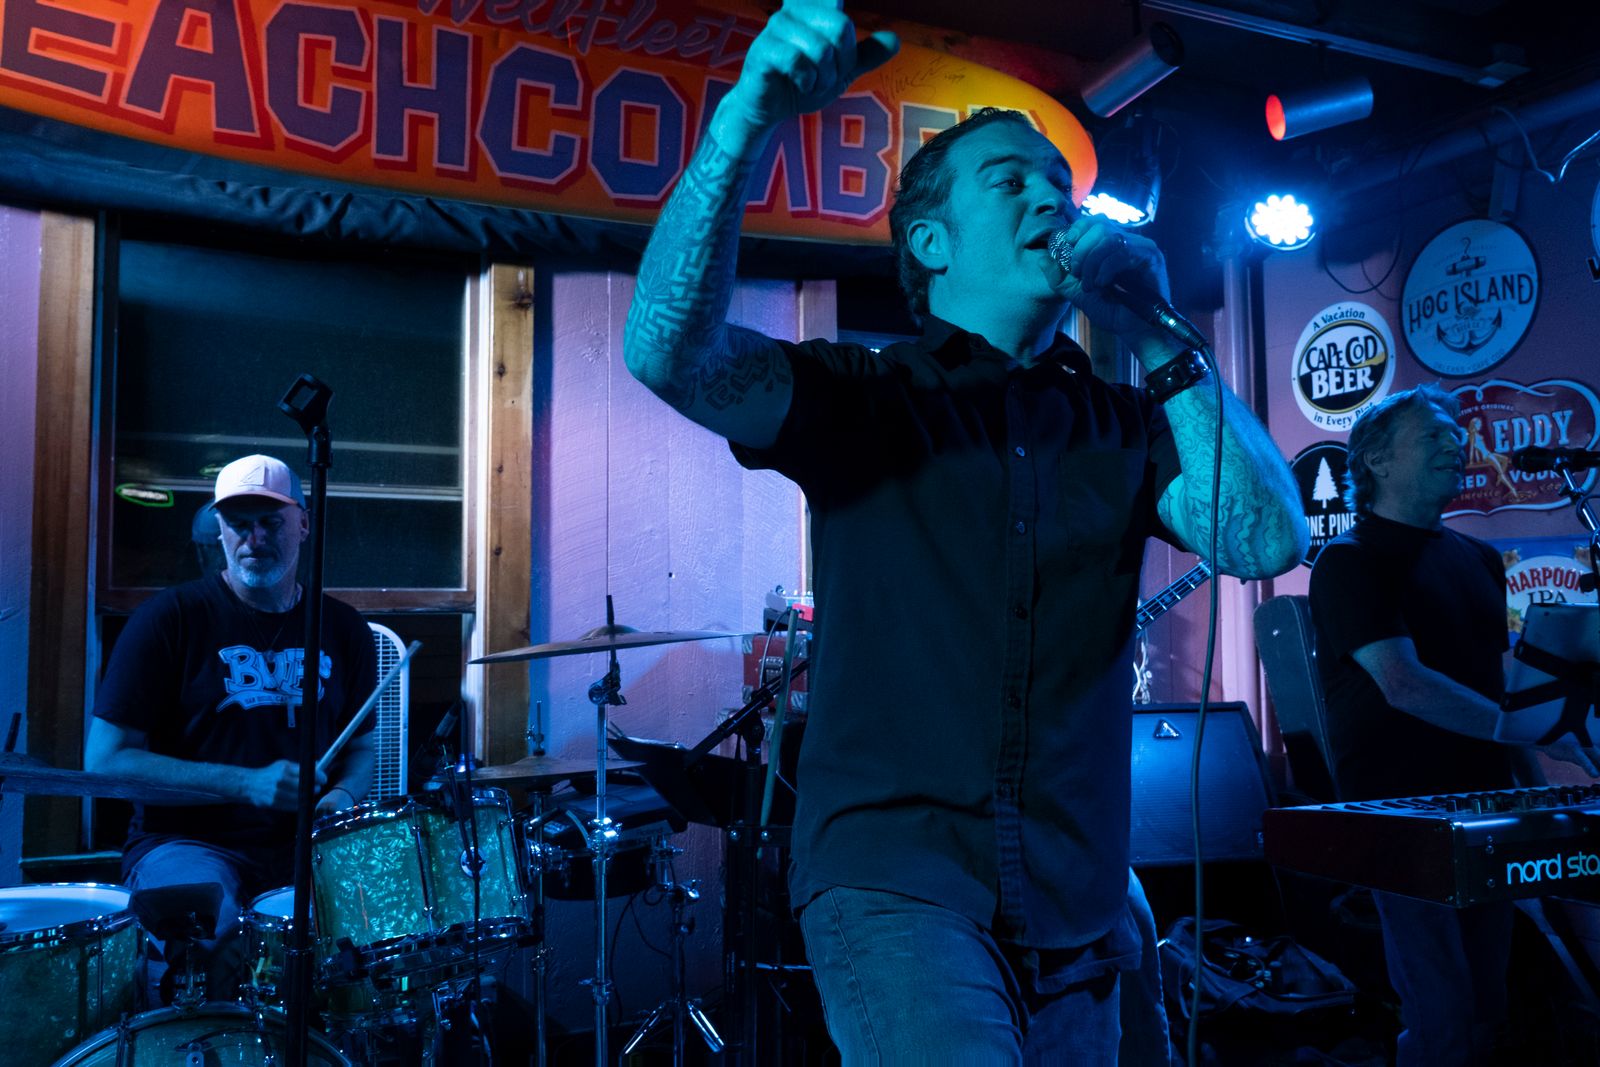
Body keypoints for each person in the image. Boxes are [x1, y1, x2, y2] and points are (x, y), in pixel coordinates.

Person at [622, 3, 1305, 1060]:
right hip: (899, 886)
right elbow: (669, 352)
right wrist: (746, 118)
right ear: (930, 243)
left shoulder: (1124, 419)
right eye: (1009, 180)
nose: (1049, 197)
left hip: (1078, 901)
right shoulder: (868, 396)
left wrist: (1156, 330)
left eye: (1059, 182)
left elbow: (1261, 541)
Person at [1308, 384, 1599, 1067]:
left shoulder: (1479, 558)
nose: (1456, 443)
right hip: (1401, 816)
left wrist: (1533, 793)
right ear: (1376, 459)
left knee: (1488, 1012)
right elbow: (1402, 682)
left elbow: (1502, 696)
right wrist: (1532, 736)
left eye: (1455, 433)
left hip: (1485, 807)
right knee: (1441, 1017)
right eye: (1434, 434)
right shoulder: (1349, 559)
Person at [86, 453, 377, 1002]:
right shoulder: (169, 619)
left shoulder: (343, 627)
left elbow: (362, 748)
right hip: (186, 841)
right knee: (208, 937)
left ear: (303, 524)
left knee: (369, 935)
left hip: (306, 846)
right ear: (219, 531)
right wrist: (244, 783)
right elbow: (104, 761)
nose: (254, 538)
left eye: (271, 522)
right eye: (239, 523)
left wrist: (341, 796)